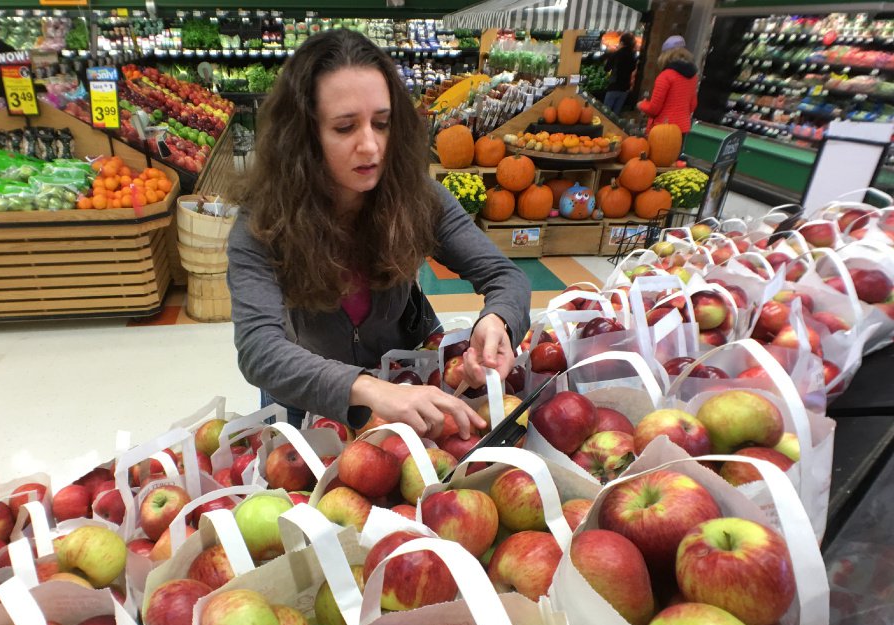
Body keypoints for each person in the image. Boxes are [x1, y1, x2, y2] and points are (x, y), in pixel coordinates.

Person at [227, 30, 531, 441]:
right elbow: (260, 350)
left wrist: (499, 321)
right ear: (304, 136)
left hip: (408, 382)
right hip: (310, 399)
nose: (370, 145)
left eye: (382, 123)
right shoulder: (262, 223)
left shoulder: (417, 198)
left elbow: (505, 276)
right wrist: (368, 390)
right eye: (345, 127)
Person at [637, 35, 698, 138]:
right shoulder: (693, 77)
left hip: (663, 129)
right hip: (682, 129)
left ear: (665, 55)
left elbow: (654, 109)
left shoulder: (666, 76)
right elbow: (693, 105)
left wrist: (641, 104)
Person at [603, 32, 638, 116]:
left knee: (605, 113)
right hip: (625, 89)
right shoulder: (633, 56)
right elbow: (633, 68)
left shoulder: (616, 54)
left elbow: (606, 68)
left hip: (614, 87)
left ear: (621, 43)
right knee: (615, 115)